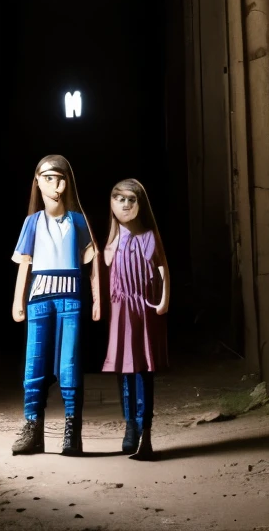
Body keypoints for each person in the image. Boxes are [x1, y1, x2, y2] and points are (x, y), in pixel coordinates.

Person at [11, 154, 101, 456]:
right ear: (37, 181)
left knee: (69, 364)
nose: (55, 184)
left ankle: (72, 431)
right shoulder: (32, 222)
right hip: (38, 298)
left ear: (68, 182)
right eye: (48, 177)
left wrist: (98, 298)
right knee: (34, 363)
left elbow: (93, 262)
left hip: (71, 298)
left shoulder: (78, 221)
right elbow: (25, 263)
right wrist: (18, 300)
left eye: (60, 177)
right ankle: (33, 427)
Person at [102, 177, 169, 460]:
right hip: (121, 311)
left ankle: (146, 428)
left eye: (132, 199)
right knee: (124, 368)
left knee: (144, 368)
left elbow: (163, 268)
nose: (126, 204)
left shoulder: (149, 237)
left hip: (144, 310)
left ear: (141, 204)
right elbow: (104, 267)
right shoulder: (112, 241)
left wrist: (164, 299)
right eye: (120, 199)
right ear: (112, 203)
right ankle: (130, 426)